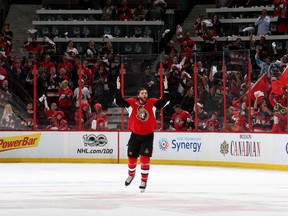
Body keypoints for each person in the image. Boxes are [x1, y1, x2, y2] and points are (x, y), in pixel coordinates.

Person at [115, 75, 169, 192]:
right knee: (131, 157)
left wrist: (166, 89)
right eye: (143, 93)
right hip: (135, 135)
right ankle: (131, 174)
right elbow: (119, 102)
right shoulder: (132, 103)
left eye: (146, 93)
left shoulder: (152, 103)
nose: (145, 95)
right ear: (138, 95)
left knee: (144, 159)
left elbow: (164, 102)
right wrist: (118, 89)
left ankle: (144, 180)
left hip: (148, 136)